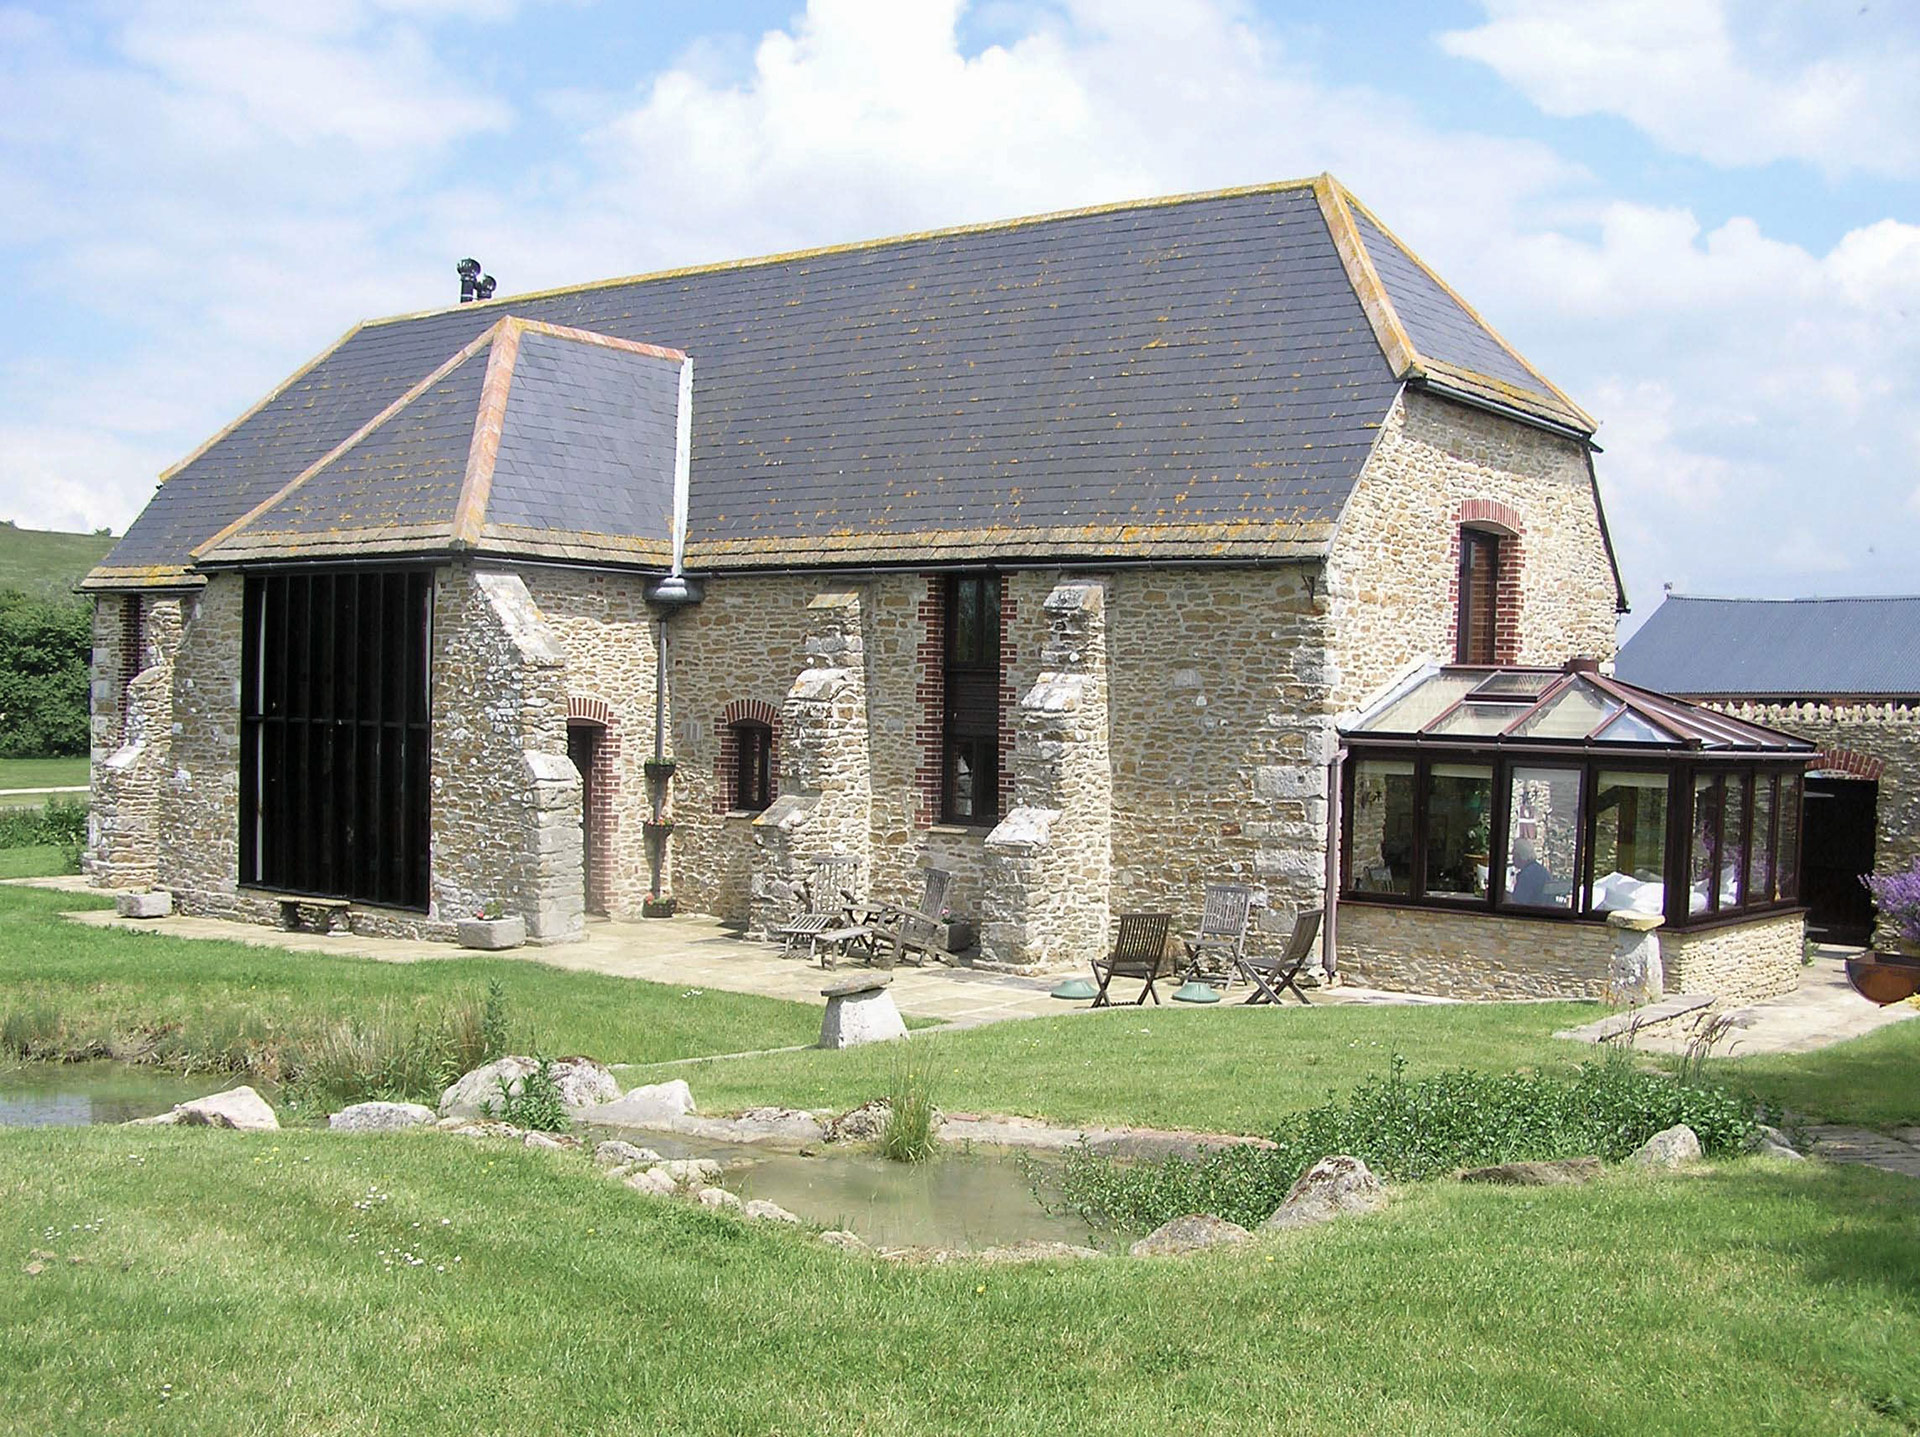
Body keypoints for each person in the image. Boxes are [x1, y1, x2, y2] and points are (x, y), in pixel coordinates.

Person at [1509, 837, 1552, 906]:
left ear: (1520, 856)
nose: (1513, 858)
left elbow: (1518, 903)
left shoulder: (1527, 875)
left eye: (1514, 855)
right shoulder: (1542, 870)